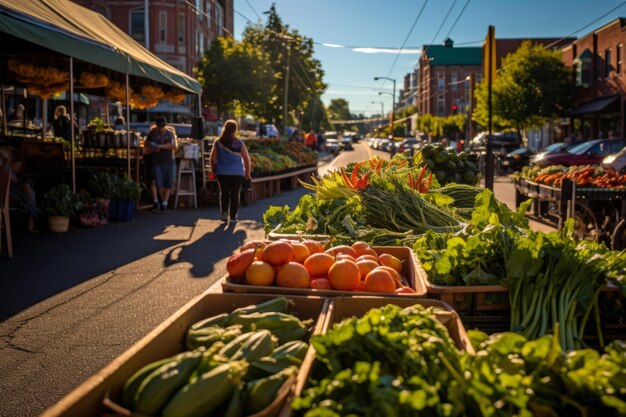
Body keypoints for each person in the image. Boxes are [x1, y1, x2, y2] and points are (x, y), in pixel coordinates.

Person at [210, 119, 251, 223]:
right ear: (235, 130)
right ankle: (233, 217)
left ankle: (224, 213)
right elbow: (246, 159)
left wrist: (213, 169)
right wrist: (247, 174)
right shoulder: (239, 143)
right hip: (237, 173)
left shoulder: (218, 142)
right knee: (234, 194)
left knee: (224, 193)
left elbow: (213, 158)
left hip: (222, 172)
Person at [145, 117, 178, 212]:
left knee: (169, 182)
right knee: (159, 183)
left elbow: (174, 146)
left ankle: (165, 203)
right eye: (159, 126)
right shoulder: (153, 133)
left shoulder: (169, 133)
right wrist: (153, 148)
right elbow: (146, 145)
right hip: (157, 161)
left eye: (162, 126)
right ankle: (163, 201)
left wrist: (160, 146)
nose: (161, 128)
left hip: (169, 161)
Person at [9, 152, 39, 232]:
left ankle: (32, 218)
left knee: (29, 194)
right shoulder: (7, 169)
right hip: (7, 193)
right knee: (29, 196)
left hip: (12, 191)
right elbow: (14, 181)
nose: (19, 168)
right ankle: (33, 219)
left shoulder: (13, 172)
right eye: (19, 165)